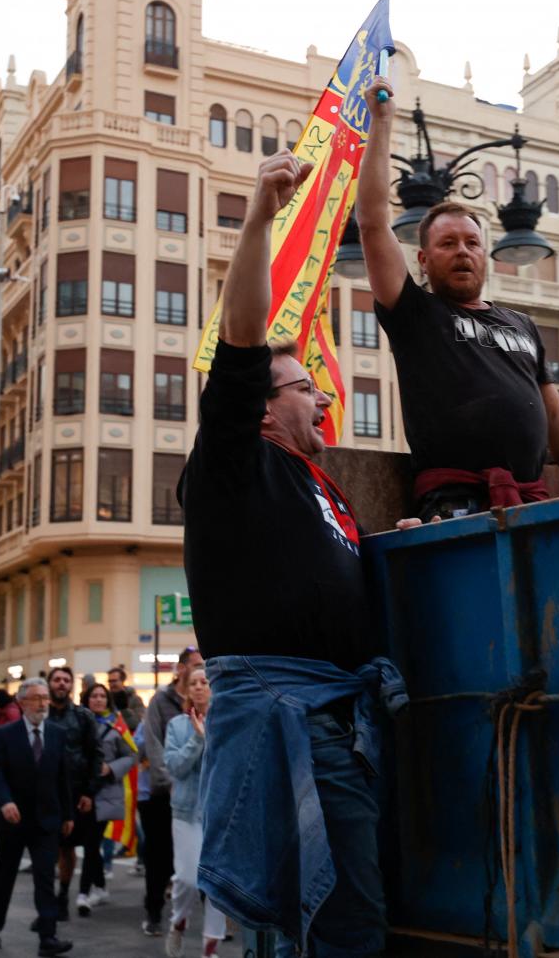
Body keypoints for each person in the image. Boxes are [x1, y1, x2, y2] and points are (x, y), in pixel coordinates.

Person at [180, 151, 408, 956]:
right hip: (293, 720)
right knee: (342, 921)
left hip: (340, 715)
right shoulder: (235, 465)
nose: (321, 393)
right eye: (304, 383)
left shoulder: (321, 485)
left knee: (323, 918)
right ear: (263, 410)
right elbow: (240, 345)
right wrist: (258, 221)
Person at [356, 76, 559, 520]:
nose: (463, 251)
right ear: (424, 261)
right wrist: (382, 121)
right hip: (455, 503)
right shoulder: (415, 313)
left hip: (531, 499)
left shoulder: (521, 324)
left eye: (472, 242)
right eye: (448, 244)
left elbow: (556, 415)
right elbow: (372, 223)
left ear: (486, 255)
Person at [0, 676, 74, 955]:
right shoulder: (5, 734)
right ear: (21, 703)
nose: (42, 703)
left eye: (45, 698)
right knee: (4, 875)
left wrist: (67, 815)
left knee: (45, 877)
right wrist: (5, 801)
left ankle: (48, 937)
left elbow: (62, 777)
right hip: (12, 819)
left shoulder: (57, 733)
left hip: (46, 820)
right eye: (36, 698)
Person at [135, 648, 199, 936]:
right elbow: (153, 744)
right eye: (197, 666)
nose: (202, 672)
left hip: (197, 793)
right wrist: (170, 781)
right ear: (181, 668)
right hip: (161, 793)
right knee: (158, 856)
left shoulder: (207, 699)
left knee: (203, 856)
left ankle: (216, 919)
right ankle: (153, 912)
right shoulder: (161, 701)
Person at [163, 666, 224, 958]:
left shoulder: (226, 721)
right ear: (186, 690)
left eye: (205, 682)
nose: (199, 687)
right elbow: (174, 767)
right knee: (187, 878)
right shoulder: (177, 725)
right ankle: (178, 921)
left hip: (220, 812)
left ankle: (210, 948)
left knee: (216, 883)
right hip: (186, 811)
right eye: (194, 683)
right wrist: (197, 739)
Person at [44, 666, 101, 922]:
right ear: (49, 684)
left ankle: (64, 893)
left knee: (67, 847)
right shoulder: (40, 715)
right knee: (46, 846)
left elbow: (95, 755)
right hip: (44, 791)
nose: (61, 684)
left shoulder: (83, 716)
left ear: (71, 686)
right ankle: (46, 897)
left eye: (66, 680)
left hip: (76, 792)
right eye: (57, 679)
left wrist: (90, 791)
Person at [77, 682, 136, 915]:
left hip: (105, 793)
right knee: (90, 842)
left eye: (103, 696)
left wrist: (110, 769)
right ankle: (100, 886)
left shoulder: (117, 725)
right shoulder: (79, 722)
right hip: (82, 791)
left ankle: (83, 892)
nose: (99, 699)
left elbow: (131, 755)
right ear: (87, 699)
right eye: (94, 696)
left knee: (91, 843)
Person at [106, 666, 146, 730]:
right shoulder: (105, 699)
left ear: (122, 681)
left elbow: (138, 722)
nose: (111, 684)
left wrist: (125, 711)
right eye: (109, 681)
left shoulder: (135, 699)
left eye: (114, 681)